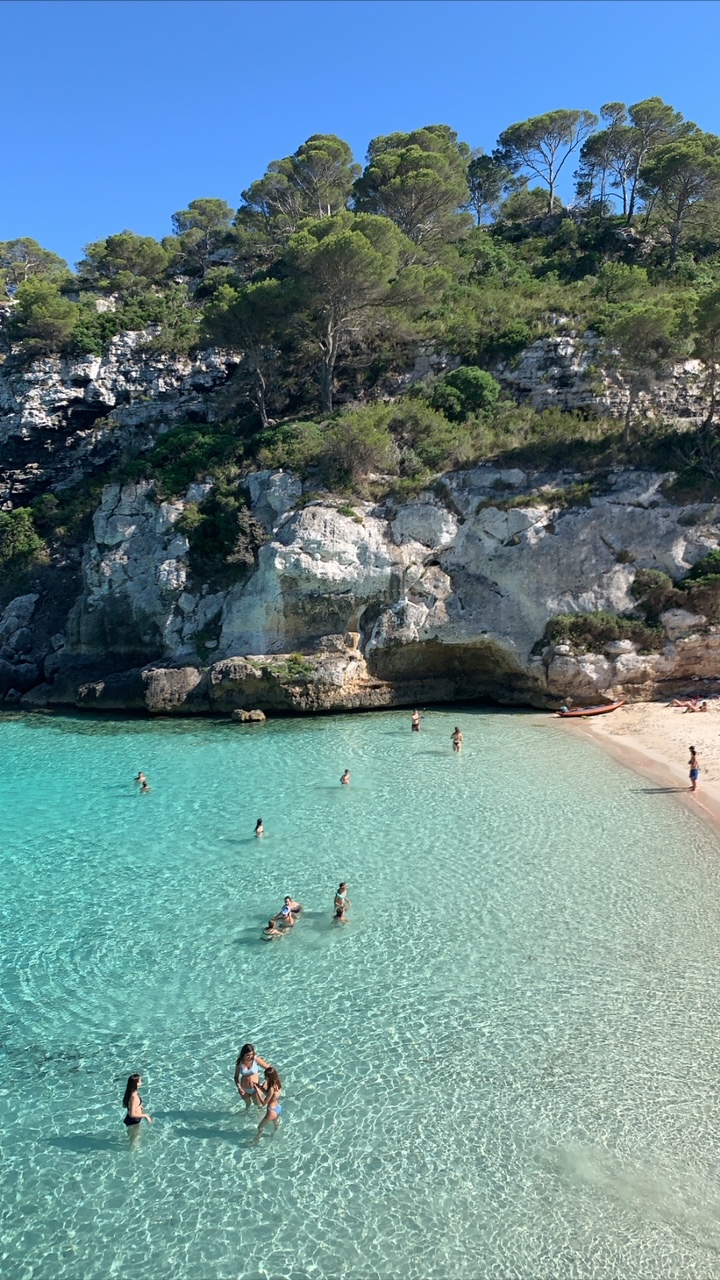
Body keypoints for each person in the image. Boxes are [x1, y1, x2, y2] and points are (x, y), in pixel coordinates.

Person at [254, 1065, 282, 1134]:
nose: (264, 1078)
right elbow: (271, 1095)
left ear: (269, 1077)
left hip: (271, 1111)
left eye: (265, 1076)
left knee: (260, 1127)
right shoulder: (278, 1084)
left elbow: (263, 1103)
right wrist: (260, 1087)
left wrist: (257, 1091)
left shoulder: (271, 1088)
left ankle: (257, 1140)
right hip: (278, 1108)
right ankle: (274, 1135)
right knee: (276, 1124)